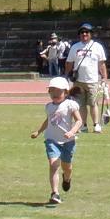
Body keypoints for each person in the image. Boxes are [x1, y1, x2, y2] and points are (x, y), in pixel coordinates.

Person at [32, 75, 83, 206]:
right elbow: (48, 121)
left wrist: (72, 132)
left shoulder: (70, 105)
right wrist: (38, 131)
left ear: (65, 92)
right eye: (52, 91)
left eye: (58, 91)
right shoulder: (49, 106)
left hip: (68, 142)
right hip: (51, 140)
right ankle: (55, 193)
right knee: (54, 165)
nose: (55, 94)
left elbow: (79, 121)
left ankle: (67, 178)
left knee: (67, 167)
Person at [66, 24, 109, 132]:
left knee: (93, 103)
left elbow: (102, 63)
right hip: (78, 81)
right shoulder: (75, 47)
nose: (84, 34)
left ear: (91, 34)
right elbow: (69, 63)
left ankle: (96, 124)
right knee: (81, 105)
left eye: (87, 32)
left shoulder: (97, 46)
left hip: (93, 80)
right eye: (82, 32)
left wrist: (104, 77)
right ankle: (84, 125)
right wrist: (66, 76)